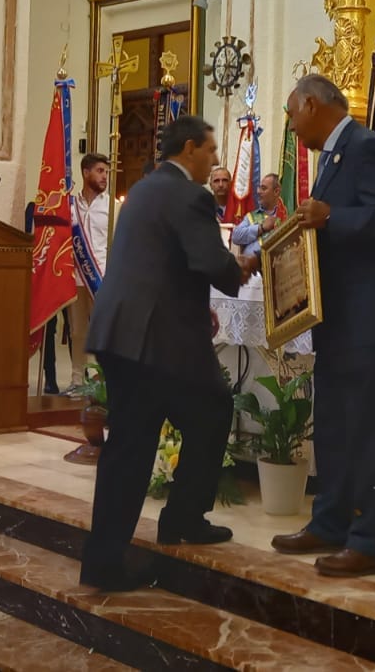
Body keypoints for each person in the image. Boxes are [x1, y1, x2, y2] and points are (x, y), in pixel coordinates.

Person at [81, 115, 258, 591]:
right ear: (188, 148)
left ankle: (180, 519)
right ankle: (110, 561)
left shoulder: (144, 190)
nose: (215, 159)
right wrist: (241, 265)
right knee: (140, 445)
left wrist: (196, 306)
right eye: (210, 149)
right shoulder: (189, 195)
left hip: (127, 333)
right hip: (154, 344)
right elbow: (208, 261)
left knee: (202, 413)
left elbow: (161, 264)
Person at [271, 75, 375, 578]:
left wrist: (332, 216)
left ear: (312, 104)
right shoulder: (334, 155)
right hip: (340, 315)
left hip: (370, 315)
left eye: (293, 114)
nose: (292, 126)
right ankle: (330, 521)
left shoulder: (367, 146)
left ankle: (374, 540)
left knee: (369, 429)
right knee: (334, 423)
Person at [69, 152, 117, 388]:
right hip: (76, 277)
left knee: (103, 331)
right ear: (86, 173)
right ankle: (77, 380)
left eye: (106, 172)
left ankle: (102, 381)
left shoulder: (113, 207)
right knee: (78, 332)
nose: (105, 176)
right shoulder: (71, 206)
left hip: (102, 279)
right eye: (100, 171)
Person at [229, 173, 286, 257]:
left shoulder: (285, 215)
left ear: (276, 192)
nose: (258, 191)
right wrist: (260, 228)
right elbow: (236, 237)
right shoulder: (251, 216)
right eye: (259, 188)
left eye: (263, 188)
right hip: (251, 264)